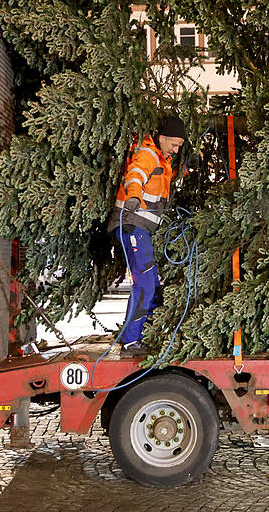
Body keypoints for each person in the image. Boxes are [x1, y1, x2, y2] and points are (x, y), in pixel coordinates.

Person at [107, 115, 186, 356]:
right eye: (173, 144)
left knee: (150, 282)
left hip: (142, 229)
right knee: (144, 283)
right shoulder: (148, 155)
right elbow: (136, 175)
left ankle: (139, 334)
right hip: (132, 225)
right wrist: (133, 195)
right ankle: (131, 341)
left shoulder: (164, 160)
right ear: (161, 138)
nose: (175, 149)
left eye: (179, 146)